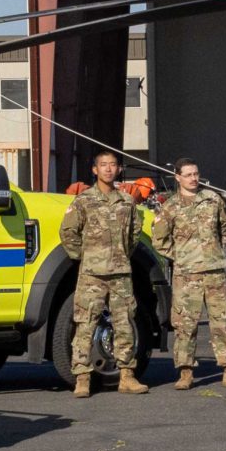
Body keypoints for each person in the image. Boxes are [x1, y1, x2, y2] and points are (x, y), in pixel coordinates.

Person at [153, 160, 226, 391]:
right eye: (188, 174)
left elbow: (223, 229)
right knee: (185, 324)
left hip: (214, 271)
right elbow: (160, 241)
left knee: (223, 321)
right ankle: (185, 372)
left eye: (196, 173)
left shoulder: (212, 199)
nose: (193, 178)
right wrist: (182, 256)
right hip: (187, 275)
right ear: (177, 177)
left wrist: (213, 253)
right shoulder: (170, 207)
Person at [61, 149, 147, 397]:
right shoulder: (83, 200)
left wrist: (121, 255)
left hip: (120, 273)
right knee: (85, 324)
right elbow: (68, 233)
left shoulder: (127, 202)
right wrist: (85, 257)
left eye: (113, 165)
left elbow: (134, 235)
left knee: (124, 324)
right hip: (92, 274)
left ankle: (127, 376)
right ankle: (82, 378)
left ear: (118, 169)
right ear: (94, 170)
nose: (109, 169)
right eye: (104, 165)